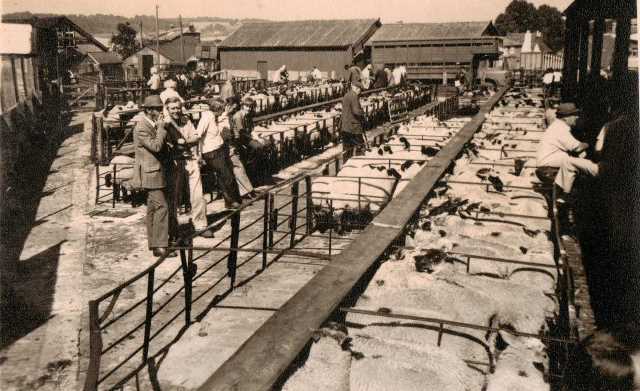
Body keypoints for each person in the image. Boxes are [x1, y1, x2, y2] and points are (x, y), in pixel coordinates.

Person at [161, 96, 214, 238]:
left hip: (190, 160)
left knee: (197, 194)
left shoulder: (186, 120)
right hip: (175, 163)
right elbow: (167, 145)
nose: (176, 111)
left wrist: (183, 143)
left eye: (178, 107)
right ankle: (173, 230)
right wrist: (184, 143)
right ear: (167, 109)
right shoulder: (165, 124)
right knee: (174, 197)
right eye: (173, 108)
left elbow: (195, 138)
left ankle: (201, 225)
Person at [131, 95, 176, 258]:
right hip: (151, 174)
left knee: (153, 208)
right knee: (162, 207)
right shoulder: (142, 127)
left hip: (156, 172)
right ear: (148, 110)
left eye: (160, 108)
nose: (160, 111)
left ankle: (155, 243)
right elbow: (156, 147)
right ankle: (160, 246)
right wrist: (162, 128)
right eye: (157, 109)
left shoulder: (151, 124)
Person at [536, 102, 598, 194]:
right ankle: (565, 197)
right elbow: (577, 147)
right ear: (566, 118)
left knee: (576, 163)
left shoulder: (557, 126)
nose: (577, 117)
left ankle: (565, 196)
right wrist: (591, 143)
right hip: (548, 168)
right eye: (574, 115)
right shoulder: (560, 129)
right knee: (580, 169)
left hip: (547, 164)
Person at [196, 98, 242, 209]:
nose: (223, 111)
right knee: (227, 176)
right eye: (222, 109)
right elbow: (198, 134)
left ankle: (230, 202)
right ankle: (232, 201)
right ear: (218, 109)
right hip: (211, 152)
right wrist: (198, 154)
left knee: (224, 176)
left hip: (218, 149)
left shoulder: (213, 116)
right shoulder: (207, 117)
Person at [225, 96, 256, 199]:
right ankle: (247, 190)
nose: (234, 109)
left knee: (238, 165)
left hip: (233, 143)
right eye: (233, 107)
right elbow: (238, 132)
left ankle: (246, 190)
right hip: (229, 145)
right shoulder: (233, 117)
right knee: (238, 165)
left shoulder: (230, 116)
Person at [340, 80, 366, 160]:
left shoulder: (346, 95)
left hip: (345, 127)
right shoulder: (354, 96)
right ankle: (359, 165)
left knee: (347, 149)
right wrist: (363, 112)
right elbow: (356, 111)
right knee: (360, 147)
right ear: (356, 88)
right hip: (354, 128)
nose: (360, 92)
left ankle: (346, 167)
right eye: (359, 90)